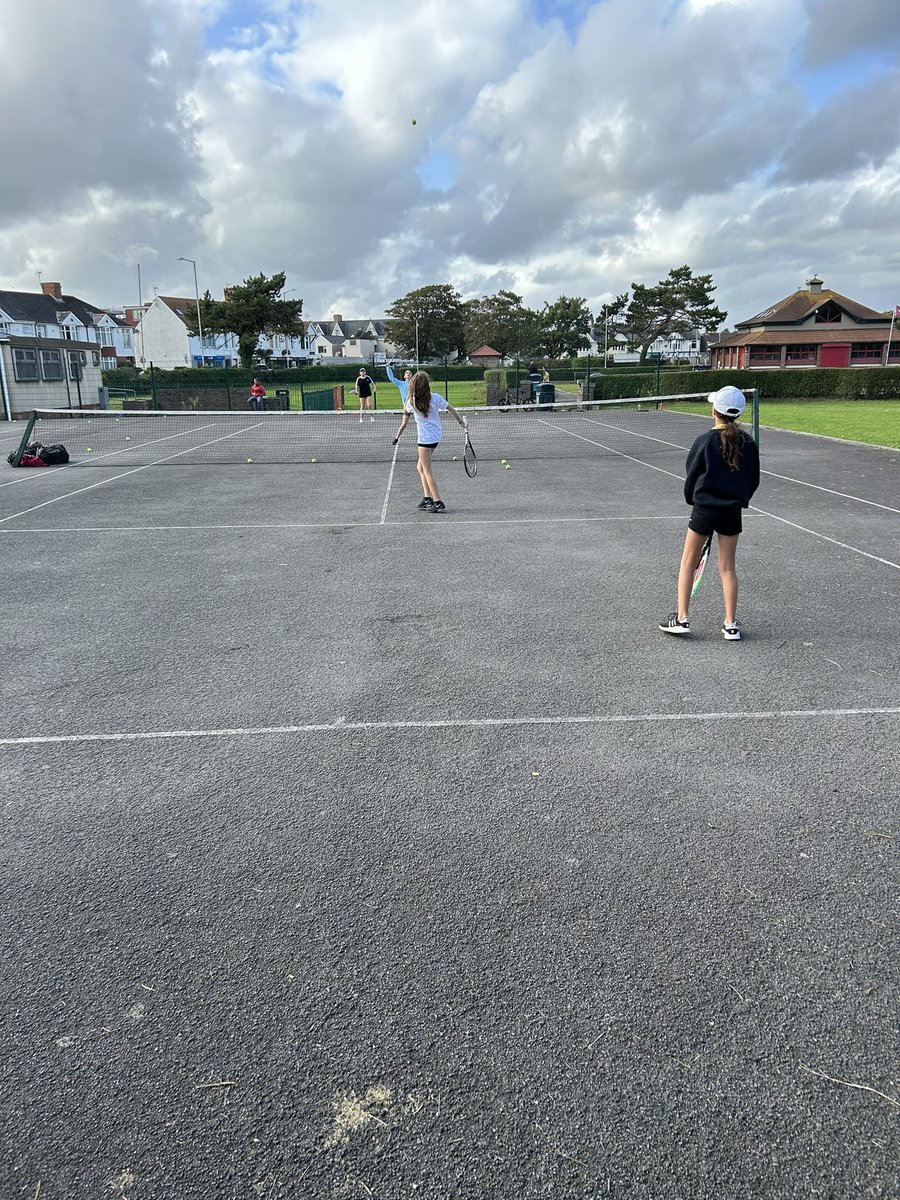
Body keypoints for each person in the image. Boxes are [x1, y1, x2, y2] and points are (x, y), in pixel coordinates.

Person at [659, 385, 760, 641]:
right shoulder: (748, 443)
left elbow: (692, 474)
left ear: (714, 410)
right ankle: (730, 625)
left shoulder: (704, 440)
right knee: (727, 567)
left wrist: (695, 500)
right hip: (732, 511)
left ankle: (681, 618)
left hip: (704, 510)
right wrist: (739, 499)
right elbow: (753, 479)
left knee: (688, 563)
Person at [392, 370, 467, 513]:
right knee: (420, 467)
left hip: (425, 441)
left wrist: (409, 394)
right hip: (435, 438)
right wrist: (461, 423)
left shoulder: (411, 401)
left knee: (426, 470)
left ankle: (438, 501)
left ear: (414, 386)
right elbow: (452, 410)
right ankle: (427, 498)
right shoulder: (436, 398)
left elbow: (405, 412)